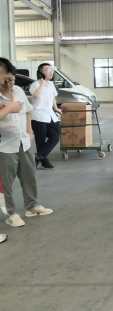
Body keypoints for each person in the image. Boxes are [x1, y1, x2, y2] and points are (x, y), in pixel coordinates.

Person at [0, 58, 53, 230]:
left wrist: (30, 132)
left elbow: (27, 112)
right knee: (6, 182)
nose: (7, 80)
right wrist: (9, 108)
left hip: (24, 141)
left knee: (29, 175)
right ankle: (10, 214)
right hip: (5, 145)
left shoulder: (17, 91)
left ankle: (32, 206)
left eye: (4, 74)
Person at [30, 63, 62, 169]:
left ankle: (39, 156)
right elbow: (36, 95)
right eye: (47, 69)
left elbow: (52, 97)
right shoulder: (35, 84)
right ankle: (44, 162)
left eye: (51, 69)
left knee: (55, 137)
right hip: (39, 116)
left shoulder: (51, 84)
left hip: (51, 115)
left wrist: (56, 108)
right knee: (40, 141)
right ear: (41, 73)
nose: (51, 72)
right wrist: (42, 84)